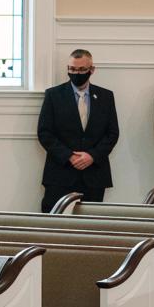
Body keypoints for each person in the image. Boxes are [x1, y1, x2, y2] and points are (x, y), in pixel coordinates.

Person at [36, 49, 120, 212]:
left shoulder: (106, 96)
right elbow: (44, 132)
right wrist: (69, 156)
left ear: (92, 70)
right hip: (60, 174)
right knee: (54, 225)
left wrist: (92, 156)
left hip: (94, 175)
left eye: (82, 70)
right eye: (72, 69)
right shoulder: (53, 95)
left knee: (91, 227)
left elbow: (112, 133)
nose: (76, 73)